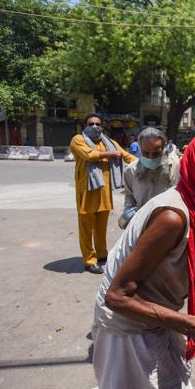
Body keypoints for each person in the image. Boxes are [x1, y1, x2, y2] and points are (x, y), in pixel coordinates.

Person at [92, 131, 195, 389]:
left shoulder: (191, 200)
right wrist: (194, 323)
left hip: (156, 317)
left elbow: (181, 253)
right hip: (129, 329)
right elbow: (116, 297)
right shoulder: (172, 217)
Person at [70, 114, 136, 274]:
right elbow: (89, 155)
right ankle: (89, 260)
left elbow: (125, 155)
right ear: (85, 125)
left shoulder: (109, 142)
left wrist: (144, 163)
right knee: (86, 228)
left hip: (105, 193)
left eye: (97, 124)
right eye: (91, 123)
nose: (94, 126)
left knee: (101, 228)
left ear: (102, 126)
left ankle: (101, 254)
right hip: (87, 191)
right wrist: (111, 154)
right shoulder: (78, 139)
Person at [121, 127, 180, 228]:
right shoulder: (130, 170)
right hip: (140, 223)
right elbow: (129, 196)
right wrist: (128, 214)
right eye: (146, 153)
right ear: (140, 149)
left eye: (156, 153)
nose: (151, 157)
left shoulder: (175, 166)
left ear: (164, 148)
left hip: (169, 224)